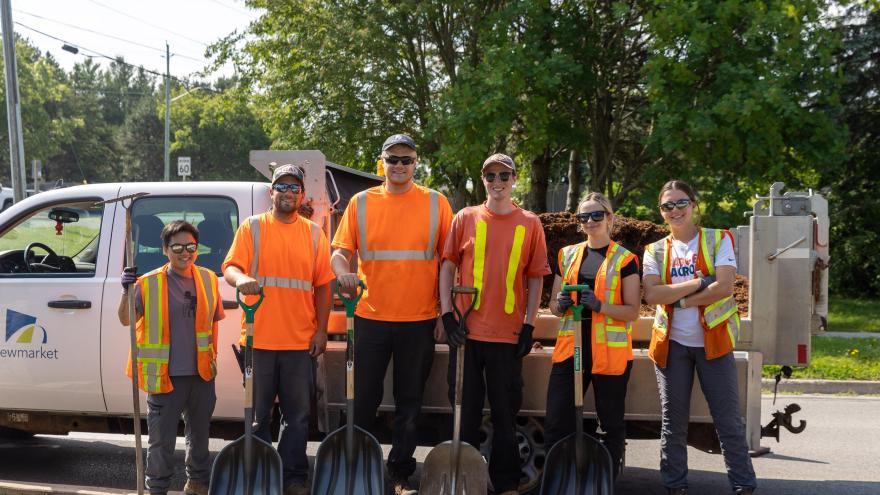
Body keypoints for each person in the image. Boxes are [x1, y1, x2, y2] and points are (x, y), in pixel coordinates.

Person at [331, 133, 453, 494]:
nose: (399, 166)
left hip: (418, 320)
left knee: (409, 403)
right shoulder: (361, 203)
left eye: (407, 159)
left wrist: (443, 315)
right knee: (362, 400)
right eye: (393, 159)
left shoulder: (436, 203)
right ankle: (362, 471)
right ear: (381, 161)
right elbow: (339, 251)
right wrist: (343, 273)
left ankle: (399, 475)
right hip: (369, 317)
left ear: (416, 163)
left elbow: (449, 261)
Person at [438, 153, 550, 495]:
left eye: (504, 176)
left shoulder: (530, 223)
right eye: (490, 176)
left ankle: (506, 484)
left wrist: (529, 325)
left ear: (515, 179)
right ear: (483, 180)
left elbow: (535, 279)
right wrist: (446, 314)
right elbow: (446, 267)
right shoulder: (465, 218)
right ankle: (464, 483)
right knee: (465, 412)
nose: (497, 182)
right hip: (466, 334)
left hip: (507, 335)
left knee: (504, 414)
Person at [222, 164, 334, 495]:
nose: (288, 193)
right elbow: (230, 267)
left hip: (300, 342)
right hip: (258, 341)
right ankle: (258, 474)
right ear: (271, 192)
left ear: (302, 195)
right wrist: (241, 279)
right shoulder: (252, 228)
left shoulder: (314, 233)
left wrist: (322, 331)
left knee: (297, 417)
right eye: (281, 187)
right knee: (257, 417)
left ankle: (293, 477)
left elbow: (324, 286)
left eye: (294, 188)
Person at [643, 180, 757, 495]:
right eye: (668, 206)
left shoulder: (719, 239)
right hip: (672, 346)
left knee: (728, 420)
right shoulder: (654, 250)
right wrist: (695, 283)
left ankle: (743, 484)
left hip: (714, 344)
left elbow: (723, 287)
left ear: (694, 205)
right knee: (673, 422)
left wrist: (678, 299)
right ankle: (675, 484)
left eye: (681, 203)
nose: (675, 210)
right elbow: (652, 294)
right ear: (661, 212)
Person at [118, 220, 225, 495]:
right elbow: (124, 319)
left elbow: (213, 322)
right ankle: (157, 489)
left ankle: (198, 485)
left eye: (191, 246)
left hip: (201, 375)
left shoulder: (208, 279)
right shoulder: (148, 283)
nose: (185, 252)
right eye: (177, 246)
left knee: (200, 439)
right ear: (165, 249)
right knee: (161, 443)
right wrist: (125, 291)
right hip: (164, 378)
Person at [544, 192, 640, 481]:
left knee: (611, 422)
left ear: (609, 218)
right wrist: (559, 305)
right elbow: (552, 304)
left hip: (608, 353)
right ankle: (557, 480)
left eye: (596, 215)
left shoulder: (625, 259)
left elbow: (633, 310)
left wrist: (600, 305)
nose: (590, 221)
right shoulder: (567, 254)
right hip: (571, 349)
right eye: (583, 217)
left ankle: (606, 479)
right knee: (556, 420)